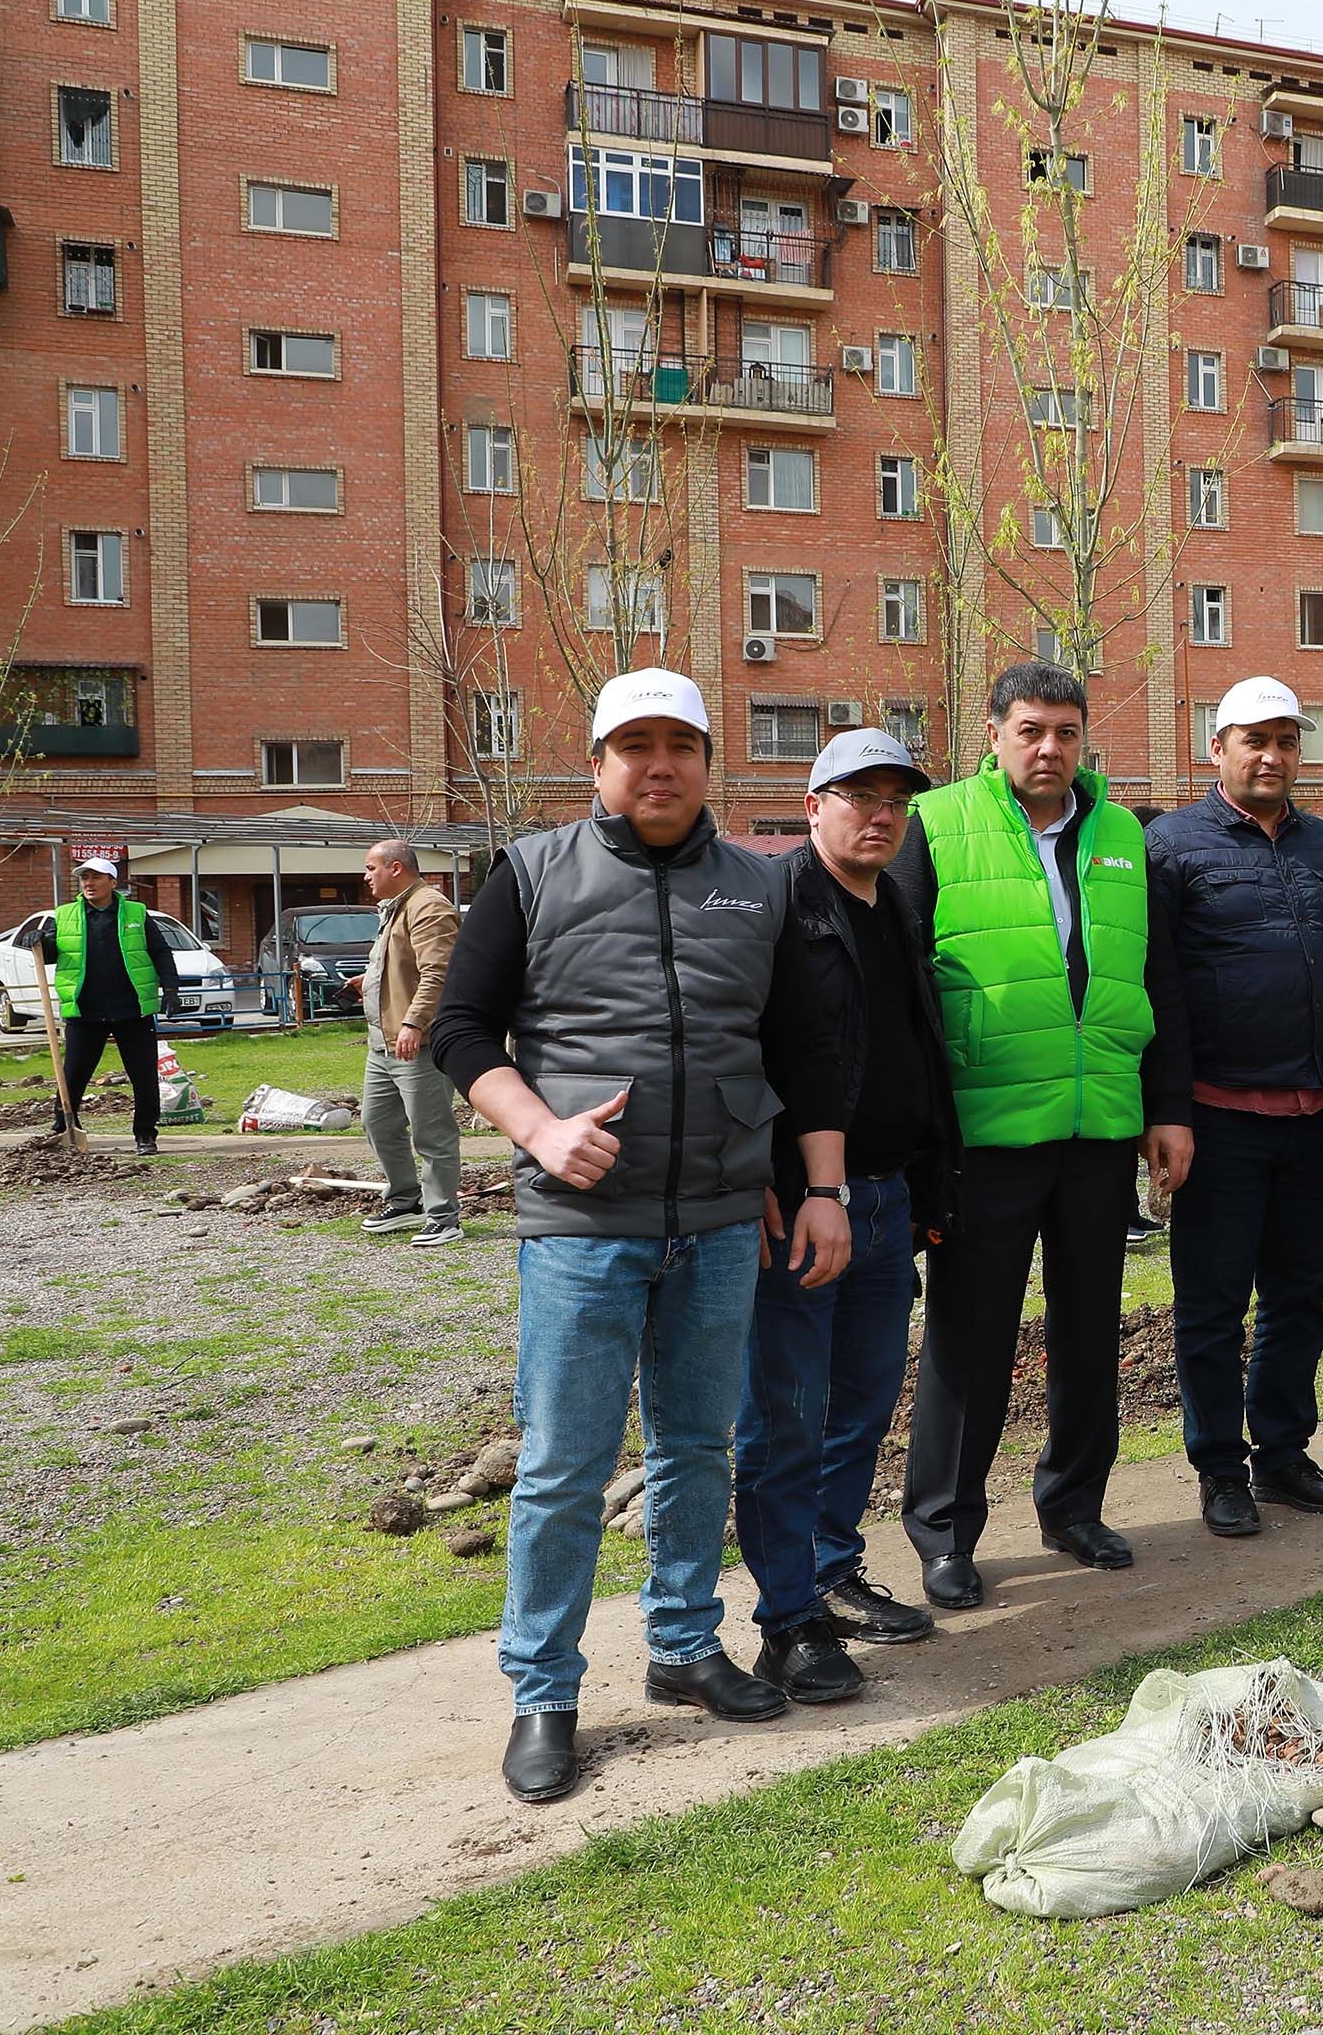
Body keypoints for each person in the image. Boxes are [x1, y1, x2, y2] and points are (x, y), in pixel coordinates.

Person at [429, 668, 849, 1804]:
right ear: (598, 761)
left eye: (680, 743)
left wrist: (820, 1190)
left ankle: (681, 1643)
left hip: (718, 1226)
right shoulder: (530, 872)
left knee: (696, 1449)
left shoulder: (759, 889)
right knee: (564, 1468)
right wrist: (537, 1129)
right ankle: (545, 1693)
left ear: (709, 760)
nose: (657, 764)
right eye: (634, 745)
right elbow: (459, 1029)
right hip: (580, 1229)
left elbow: (804, 1052)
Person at [892, 664, 1185, 1602]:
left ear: (1085, 737)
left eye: (1066, 730)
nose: (1050, 748)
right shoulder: (935, 824)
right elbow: (902, 988)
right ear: (993, 734)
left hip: (1097, 1123)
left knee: (1090, 1326)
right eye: (1030, 730)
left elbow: (1157, 980)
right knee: (969, 1339)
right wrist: (922, 1134)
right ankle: (946, 1532)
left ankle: (1074, 1506)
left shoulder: (1123, 834)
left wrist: (1164, 1108)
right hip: (986, 1131)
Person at [730, 730, 958, 1706]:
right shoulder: (778, 905)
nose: (879, 814)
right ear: (813, 802)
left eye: (894, 801)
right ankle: (790, 1618)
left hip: (885, 1198)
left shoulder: (895, 904)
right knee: (783, 1413)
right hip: (800, 1206)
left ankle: (831, 1567)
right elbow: (741, 1043)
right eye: (857, 796)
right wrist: (766, 1171)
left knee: (862, 1405)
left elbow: (917, 1045)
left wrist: (928, 1191)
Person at [1147, 678, 1323, 1540]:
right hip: (1215, 1114)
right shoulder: (1171, 845)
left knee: (1300, 1296)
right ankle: (1217, 1467)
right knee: (1211, 1304)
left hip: (1309, 1115)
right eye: (1253, 741)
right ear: (1217, 749)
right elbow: (1155, 981)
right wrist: (1166, 1112)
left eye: (1285, 740)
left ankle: (1281, 1452)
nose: (1270, 756)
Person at [37, 857, 182, 1155]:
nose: (88, 883)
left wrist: (170, 989)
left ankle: (145, 1134)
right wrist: (39, 940)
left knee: (142, 1075)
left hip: (132, 1009)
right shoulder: (64, 916)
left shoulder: (137, 913)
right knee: (73, 1073)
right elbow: (53, 952)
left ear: (113, 882)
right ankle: (63, 1126)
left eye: (96, 877)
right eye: (84, 878)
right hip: (85, 1011)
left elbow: (161, 952)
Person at [357, 840, 463, 1246]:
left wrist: (414, 1022)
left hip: (416, 1044)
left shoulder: (429, 907)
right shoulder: (397, 907)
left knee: (431, 1131)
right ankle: (406, 1201)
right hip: (382, 1043)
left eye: (371, 868)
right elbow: (399, 968)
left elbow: (438, 973)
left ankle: (444, 1216)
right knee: (377, 1123)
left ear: (396, 868)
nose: (366, 877)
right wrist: (365, 984)